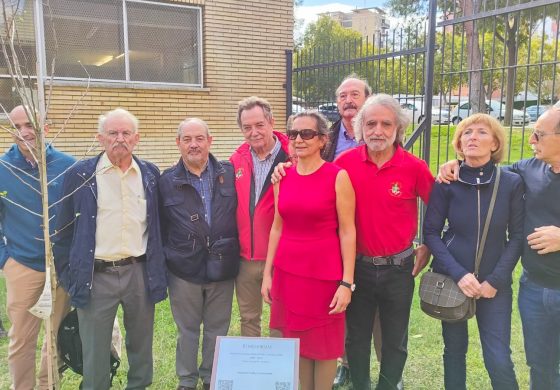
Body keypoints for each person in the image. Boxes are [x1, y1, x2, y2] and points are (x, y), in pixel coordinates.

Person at [438, 102, 560, 390]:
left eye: (538, 135)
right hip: (535, 288)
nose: (531, 140)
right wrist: (455, 163)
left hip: (525, 287)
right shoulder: (527, 170)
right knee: (540, 366)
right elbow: (487, 172)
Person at [53, 108, 167, 390]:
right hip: (96, 275)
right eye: (113, 133)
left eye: (126, 133)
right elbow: (63, 230)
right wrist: (69, 274)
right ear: (100, 138)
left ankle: (138, 386)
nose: (120, 139)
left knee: (141, 343)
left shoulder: (150, 174)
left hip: (139, 272)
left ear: (136, 138)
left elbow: (159, 225)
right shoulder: (79, 175)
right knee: (94, 348)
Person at [423, 114, 524, 389]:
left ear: (495, 143)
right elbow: (430, 232)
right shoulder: (447, 181)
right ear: (459, 142)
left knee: (498, 357)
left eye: (481, 132)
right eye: (466, 133)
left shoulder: (511, 182)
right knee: (454, 353)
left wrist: (495, 281)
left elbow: (516, 237)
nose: (472, 137)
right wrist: (460, 274)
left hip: (495, 286)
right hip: (453, 281)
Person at [261, 111, 356, 390]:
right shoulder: (283, 176)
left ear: (322, 140)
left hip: (324, 275)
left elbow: (348, 231)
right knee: (296, 341)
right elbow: (277, 226)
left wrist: (346, 283)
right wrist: (268, 274)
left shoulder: (338, 177)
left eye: (307, 134)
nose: (299, 139)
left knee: (324, 345)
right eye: (293, 134)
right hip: (289, 273)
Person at [159, 118, 239, 390]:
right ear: (178, 143)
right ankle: (186, 380)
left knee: (218, 329)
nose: (194, 145)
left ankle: (210, 378)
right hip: (183, 269)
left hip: (222, 265)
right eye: (187, 139)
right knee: (188, 330)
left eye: (199, 139)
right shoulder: (166, 181)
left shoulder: (229, 173)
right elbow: (160, 225)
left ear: (209, 141)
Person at [0, 105, 74, 390]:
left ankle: (48, 385)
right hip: (22, 266)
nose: (25, 132)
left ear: (46, 126)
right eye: (17, 127)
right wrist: (6, 260)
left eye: (30, 124)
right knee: (22, 339)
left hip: (60, 267)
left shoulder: (67, 166)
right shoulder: (3, 170)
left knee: (55, 337)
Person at [230, 96, 290, 337]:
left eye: (259, 125)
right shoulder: (236, 160)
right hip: (245, 259)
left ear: (271, 122)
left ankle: (280, 374)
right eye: (247, 127)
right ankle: (253, 372)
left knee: (280, 319)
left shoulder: (292, 158)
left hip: (280, 258)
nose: (253, 132)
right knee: (248, 318)